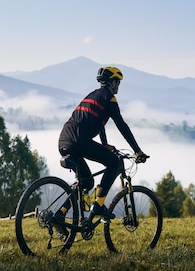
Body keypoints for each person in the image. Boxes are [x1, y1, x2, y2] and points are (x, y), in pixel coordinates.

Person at [55, 66, 149, 226]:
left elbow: (99, 122)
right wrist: (137, 150)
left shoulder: (93, 95)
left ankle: (59, 216)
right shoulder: (109, 98)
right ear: (112, 83)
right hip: (80, 141)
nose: (118, 86)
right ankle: (98, 204)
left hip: (65, 141)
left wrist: (104, 144)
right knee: (114, 163)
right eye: (117, 82)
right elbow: (121, 125)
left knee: (86, 182)